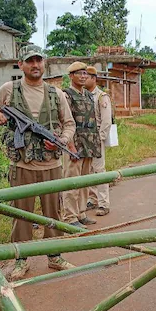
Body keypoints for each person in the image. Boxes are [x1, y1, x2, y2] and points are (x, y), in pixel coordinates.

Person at [0, 45, 77, 280]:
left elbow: (69, 124)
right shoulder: (9, 89)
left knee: (53, 214)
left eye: (39, 61)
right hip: (22, 166)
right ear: (21, 65)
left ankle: (54, 256)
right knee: (22, 214)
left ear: (44, 64)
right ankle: (21, 260)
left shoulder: (57, 94)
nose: (35, 65)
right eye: (30, 61)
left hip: (51, 165)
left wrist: (62, 140)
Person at [61, 62, 101, 228]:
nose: (84, 76)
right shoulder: (67, 95)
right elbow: (65, 122)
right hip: (74, 144)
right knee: (72, 182)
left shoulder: (89, 95)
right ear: (71, 76)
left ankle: (81, 213)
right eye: (79, 73)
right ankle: (69, 217)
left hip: (88, 144)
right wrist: (70, 146)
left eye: (85, 73)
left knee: (85, 181)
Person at [85, 66, 113, 216]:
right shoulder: (82, 95)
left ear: (94, 78)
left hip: (96, 138)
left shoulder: (101, 96)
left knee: (99, 171)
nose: (84, 78)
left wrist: (100, 138)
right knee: (88, 171)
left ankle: (103, 203)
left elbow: (106, 121)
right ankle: (92, 198)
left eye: (87, 76)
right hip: (84, 139)